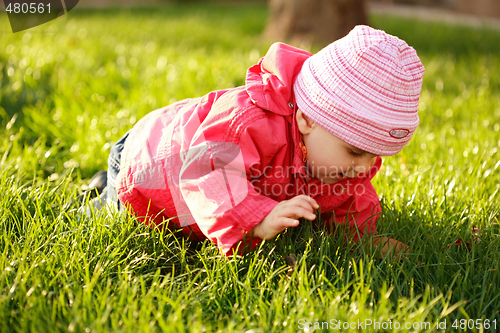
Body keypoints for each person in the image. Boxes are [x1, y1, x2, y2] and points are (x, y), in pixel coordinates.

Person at [84, 25, 425, 257]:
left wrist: (364, 238)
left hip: (174, 165)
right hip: (150, 169)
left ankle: (100, 181)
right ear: (307, 118)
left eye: (375, 155)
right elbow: (207, 171)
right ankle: (102, 188)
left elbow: (351, 196)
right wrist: (257, 219)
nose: (365, 167)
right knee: (113, 213)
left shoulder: (335, 156)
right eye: (355, 151)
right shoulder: (248, 122)